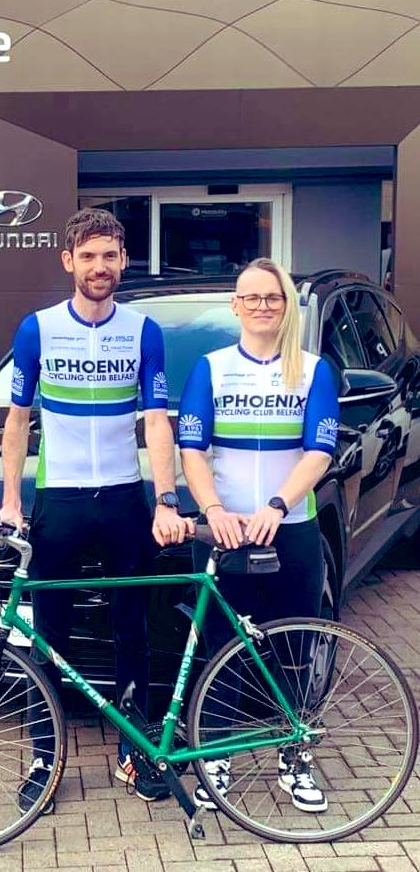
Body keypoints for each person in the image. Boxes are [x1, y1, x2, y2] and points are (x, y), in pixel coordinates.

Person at [0, 207, 193, 812]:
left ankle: (135, 754)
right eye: (89, 256)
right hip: (60, 499)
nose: (100, 266)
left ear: (123, 261)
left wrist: (164, 497)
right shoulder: (37, 330)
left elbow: (156, 420)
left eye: (110, 255)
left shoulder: (143, 330)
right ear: (68, 262)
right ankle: (45, 762)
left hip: (124, 499)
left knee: (131, 628)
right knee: (48, 634)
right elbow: (17, 420)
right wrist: (9, 501)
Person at [178, 257, 339, 814]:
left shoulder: (313, 369)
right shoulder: (212, 367)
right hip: (223, 530)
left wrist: (278, 504)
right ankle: (217, 757)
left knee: (295, 646)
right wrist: (213, 508)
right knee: (221, 644)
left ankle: (295, 758)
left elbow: (319, 451)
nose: (263, 306)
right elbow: (191, 449)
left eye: (273, 297)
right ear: (236, 306)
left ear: (286, 305)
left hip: (290, 528)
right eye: (252, 297)